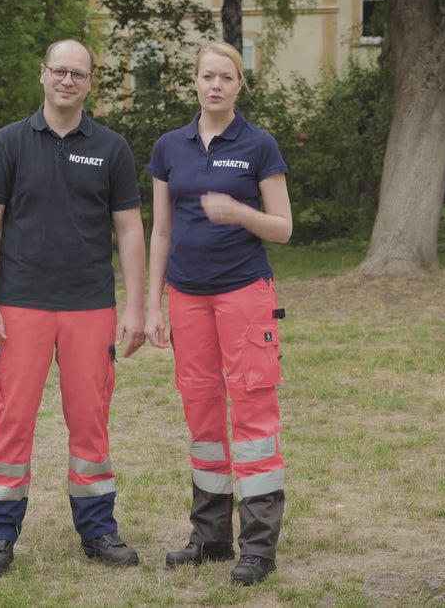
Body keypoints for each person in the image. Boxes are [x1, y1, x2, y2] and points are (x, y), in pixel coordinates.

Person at [0, 39, 147, 577]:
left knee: (90, 422)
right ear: (43, 74)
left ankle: (98, 531)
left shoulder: (112, 148)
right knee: (11, 421)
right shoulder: (8, 142)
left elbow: (129, 230)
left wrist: (135, 306)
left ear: (91, 82)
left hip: (89, 306)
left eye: (79, 73)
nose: (68, 80)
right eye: (59, 70)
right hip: (19, 304)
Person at [144, 42, 292, 586]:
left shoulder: (259, 145)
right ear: (194, 82)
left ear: (239, 85)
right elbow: (161, 231)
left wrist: (240, 212)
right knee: (203, 415)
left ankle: (257, 548)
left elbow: (283, 227)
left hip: (244, 292)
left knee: (252, 415)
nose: (215, 85)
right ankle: (209, 538)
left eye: (226, 77)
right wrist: (153, 304)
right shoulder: (169, 147)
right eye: (207, 76)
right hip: (186, 296)